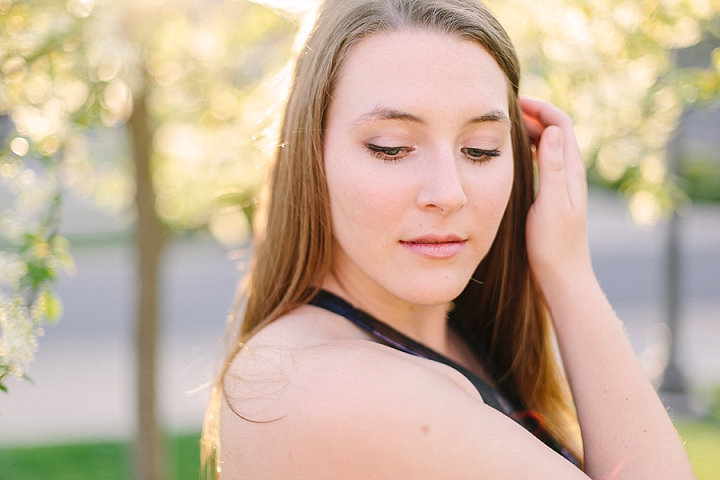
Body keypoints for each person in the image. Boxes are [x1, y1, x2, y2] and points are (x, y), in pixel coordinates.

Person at [203, 0, 696, 478]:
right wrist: (569, 277)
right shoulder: (317, 385)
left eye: (480, 150)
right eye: (391, 147)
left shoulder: (451, 341)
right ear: (311, 156)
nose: (448, 193)